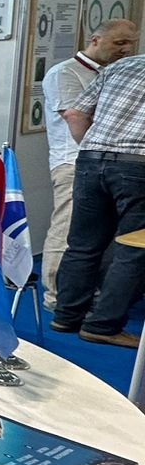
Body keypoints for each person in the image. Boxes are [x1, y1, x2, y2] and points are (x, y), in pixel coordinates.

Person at [51, 43, 145, 347]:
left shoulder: (121, 66)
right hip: (139, 165)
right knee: (134, 248)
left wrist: (94, 150)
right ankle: (103, 325)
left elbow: (75, 114)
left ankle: (66, 316)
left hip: (91, 159)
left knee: (82, 244)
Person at [39, 19, 137, 309]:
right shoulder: (64, 73)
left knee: (104, 235)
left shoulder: (115, 73)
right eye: (119, 42)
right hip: (74, 163)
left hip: (108, 164)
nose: (126, 49)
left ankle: (91, 293)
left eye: (131, 43)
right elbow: (76, 116)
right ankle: (57, 295)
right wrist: (101, 149)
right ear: (95, 40)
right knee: (67, 230)